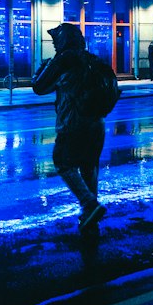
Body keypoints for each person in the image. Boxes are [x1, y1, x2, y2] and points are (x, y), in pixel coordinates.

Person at [32, 21, 108, 234]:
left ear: (64, 40)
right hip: (97, 122)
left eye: (56, 40)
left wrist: (42, 68)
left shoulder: (64, 59)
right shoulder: (91, 58)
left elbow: (39, 87)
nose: (55, 44)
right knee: (89, 166)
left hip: (73, 123)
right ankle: (89, 215)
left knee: (62, 161)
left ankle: (89, 204)